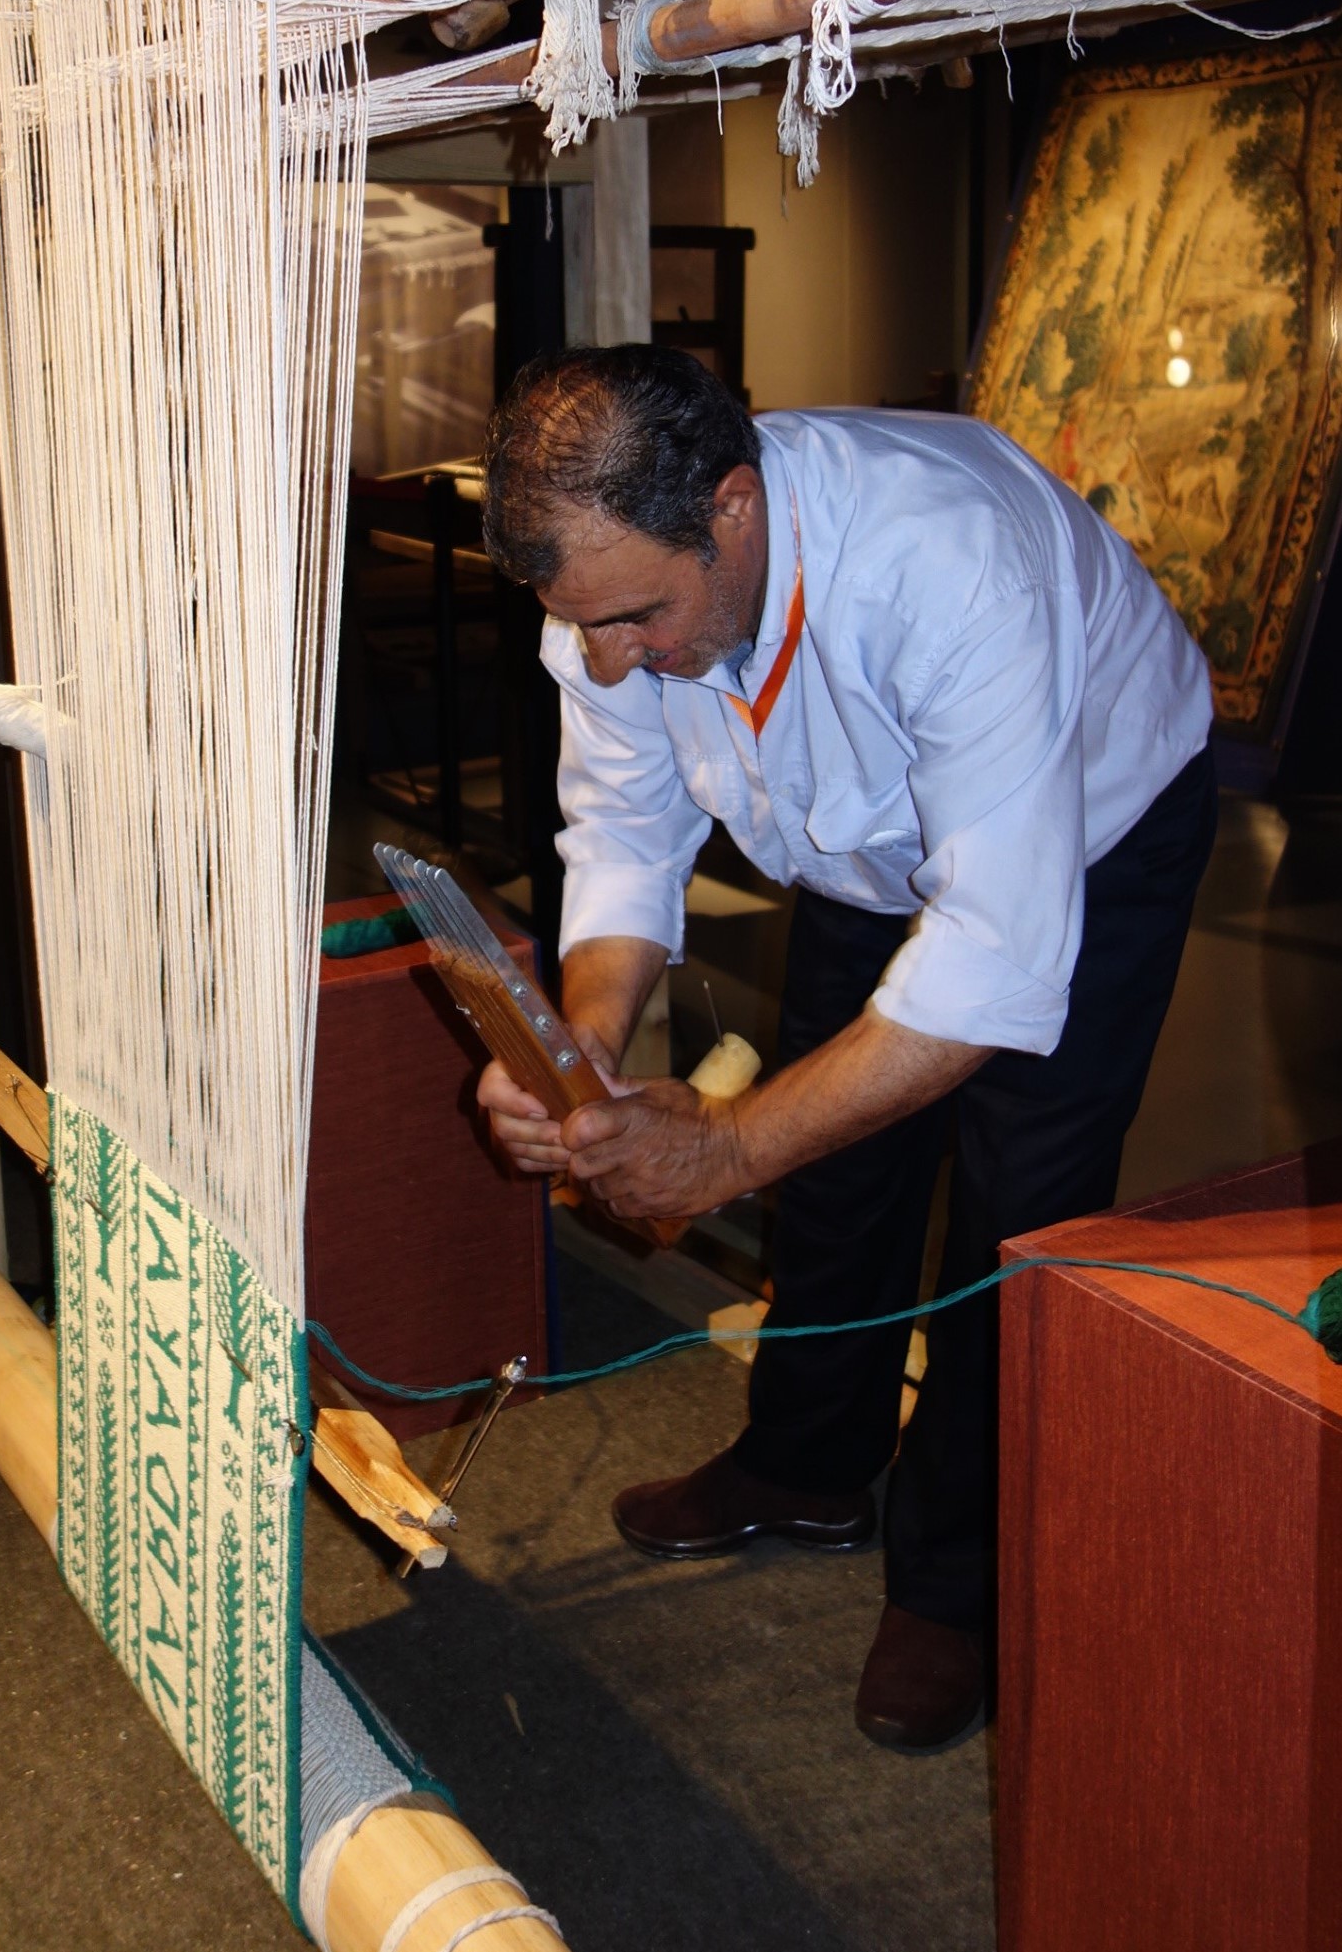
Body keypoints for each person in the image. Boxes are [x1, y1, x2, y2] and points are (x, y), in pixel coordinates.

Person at [475, 345, 1216, 1749]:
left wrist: (723, 1145)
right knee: (835, 1179)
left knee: (1017, 1219)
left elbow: (994, 959)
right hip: (866, 851)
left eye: (640, 615)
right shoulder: (606, 596)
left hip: (1095, 824)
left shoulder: (948, 562)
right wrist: (578, 1050)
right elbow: (627, 833)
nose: (615, 659)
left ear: (734, 508)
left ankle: (958, 1577)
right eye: (587, 630)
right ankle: (809, 1463)